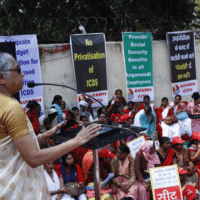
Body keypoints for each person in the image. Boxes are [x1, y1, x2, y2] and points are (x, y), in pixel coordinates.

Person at [0, 52, 101, 199]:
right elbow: (33, 158)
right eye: (17, 70)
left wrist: (42, 136)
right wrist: (76, 141)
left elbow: (14, 146)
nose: (22, 74)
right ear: (1, 78)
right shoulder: (11, 108)